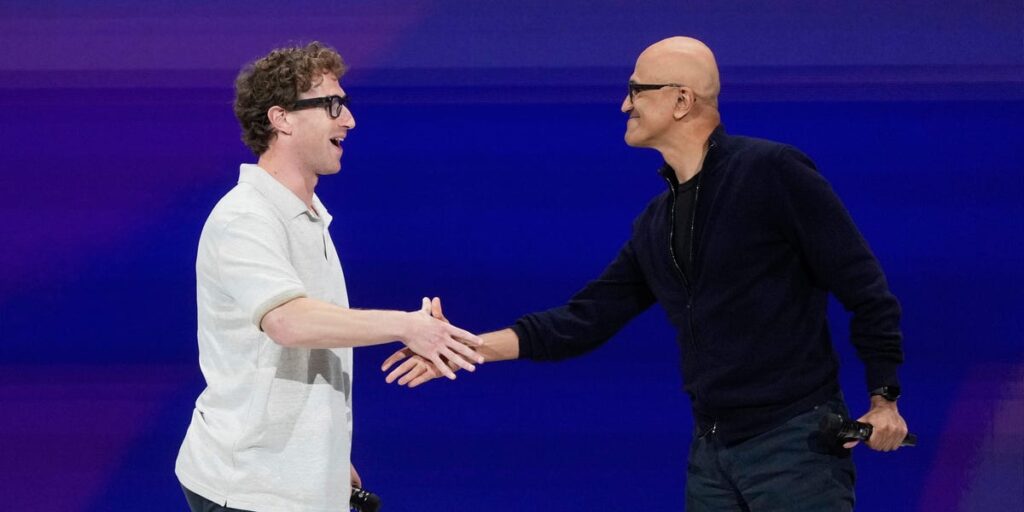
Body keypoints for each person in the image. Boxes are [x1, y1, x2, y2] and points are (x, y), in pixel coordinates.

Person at [381, 36, 909, 511]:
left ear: (681, 100)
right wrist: (462, 346)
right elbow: (585, 319)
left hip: (795, 444)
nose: (624, 103)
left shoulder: (771, 172)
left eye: (637, 90)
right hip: (712, 455)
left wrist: (883, 398)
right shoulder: (657, 222)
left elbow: (865, 288)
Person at [174, 42, 484, 512]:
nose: (350, 121)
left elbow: (308, 347)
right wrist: (406, 326)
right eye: (332, 105)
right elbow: (288, 322)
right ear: (282, 118)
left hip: (293, 483)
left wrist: (325, 457)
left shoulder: (309, 216)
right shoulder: (245, 217)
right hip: (249, 489)